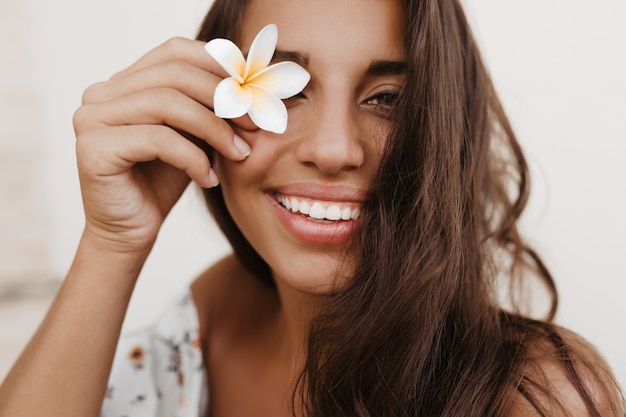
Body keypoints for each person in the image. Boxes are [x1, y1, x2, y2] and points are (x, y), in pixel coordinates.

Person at [0, 0, 624, 415]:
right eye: (283, 88)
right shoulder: (209, 320)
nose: (333, 150)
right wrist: (111, 245)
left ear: (444, 131)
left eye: (388, 99)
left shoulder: (537, 397)